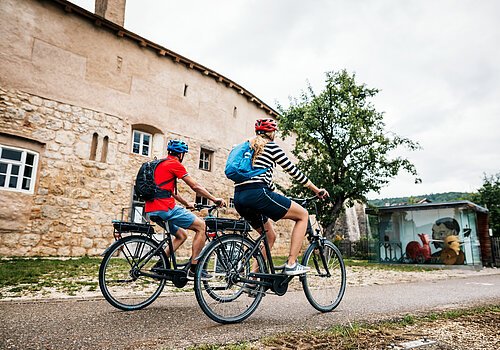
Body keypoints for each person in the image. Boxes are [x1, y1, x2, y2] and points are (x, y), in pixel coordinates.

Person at [233, 118, 329, 275]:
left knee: (270, 236)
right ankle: (291, 263)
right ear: (271, 133)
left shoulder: (246, 149)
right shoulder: (270, 147)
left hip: (239, 197)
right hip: (258, 194)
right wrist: (315, 189)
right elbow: (293, 171)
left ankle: (254, 278)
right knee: (303, 215)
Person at [145, 139, 226, 279]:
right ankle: (194, 269)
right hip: (165, 208)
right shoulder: (174, 164)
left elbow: (172, 192)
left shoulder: (159, 164)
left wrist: (187, 202)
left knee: (181, 235)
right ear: (181, 154)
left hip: (151, 209)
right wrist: (214, 199)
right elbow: (195, 186)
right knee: (202, 226)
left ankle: (160, 264)